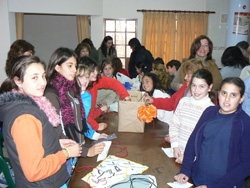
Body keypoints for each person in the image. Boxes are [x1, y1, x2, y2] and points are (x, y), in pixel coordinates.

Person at [0, 56, 81, 187]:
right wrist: (67, 153)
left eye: (43, 76)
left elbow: (33, 145)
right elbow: (35, 171)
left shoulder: (30, 105)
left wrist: (55, 143)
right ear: (18, 81)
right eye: (34, 78)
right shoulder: (24, 117)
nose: (43, 83)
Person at [174, 77, 250, 187]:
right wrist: (185, 170)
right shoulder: (209, 112)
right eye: (224, 93)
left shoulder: (245, 123)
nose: (227, 99)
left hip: (224, 185)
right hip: (196, 180)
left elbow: (246, 165)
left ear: (241, 99)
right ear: (218, 93)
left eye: (233, 95)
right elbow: (192, 141)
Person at [44, 48, 105, 158]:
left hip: (79, 147)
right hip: (65, 153)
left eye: (75, 66)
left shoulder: (72, 88)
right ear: (57, 67)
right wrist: (86, 152)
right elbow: (56, 134)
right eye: (69, 65)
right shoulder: (51, 94)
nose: (74, 70)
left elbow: (81, 121)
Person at [169, 69, 214, 164]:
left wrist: (189, 156)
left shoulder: (211, 110)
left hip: (195, 160)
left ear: (210, 87)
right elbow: (174, 125)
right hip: (178, 154)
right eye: (194, 85)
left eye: (202, 86)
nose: (196, 90)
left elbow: (206, 141)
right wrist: (175, 146)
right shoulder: (184, 102)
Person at [80, 56, 130, 131]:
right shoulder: (81, 91)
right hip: (86, 128)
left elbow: (113, 83)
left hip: (90, 123)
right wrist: (96, 126)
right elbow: (83, 117)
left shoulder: (95, 81)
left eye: (96, 70)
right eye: (92, 71)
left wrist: (126, 96)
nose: (96, 73)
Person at [76, 64, 108, 140]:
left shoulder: (87, 96)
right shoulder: (70, 95)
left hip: (80, 136)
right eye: (80, 77)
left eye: (86, 77)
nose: (84, 80)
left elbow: (83, 120)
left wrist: (95, 135)